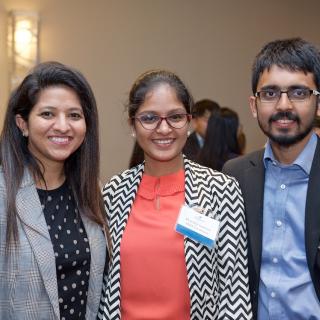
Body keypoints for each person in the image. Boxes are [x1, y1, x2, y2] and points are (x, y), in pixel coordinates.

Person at [98, 69, 252, 319]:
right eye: (149, 118)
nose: (164, 128)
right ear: (133, 125)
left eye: (175, 117)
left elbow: (234, 292)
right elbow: (104, 288)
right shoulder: (114, 192)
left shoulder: (220, 190)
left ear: (190, 122)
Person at [0, 62, 108, 320]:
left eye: (74, 115)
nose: (62, 126)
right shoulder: (4, 193)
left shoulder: (91, 190)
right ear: (22, 124)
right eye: (48, 114)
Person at [223, 38, 320, 319]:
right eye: (270, 93)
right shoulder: (235, 175)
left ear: (317, 104)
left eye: (299, 92)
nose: (283, 105)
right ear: (254, 106)